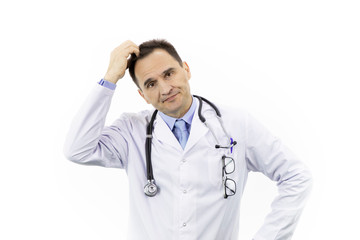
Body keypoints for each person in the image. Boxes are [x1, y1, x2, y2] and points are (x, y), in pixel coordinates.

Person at [64, 39, 312, 240]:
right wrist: (109, 78)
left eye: (169, 73)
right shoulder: (131, 131)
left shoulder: (236, 124)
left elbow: (296, 176)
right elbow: (77, 149)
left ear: (187, 69)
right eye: (151, 84)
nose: (164, 88)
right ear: (142, 95)